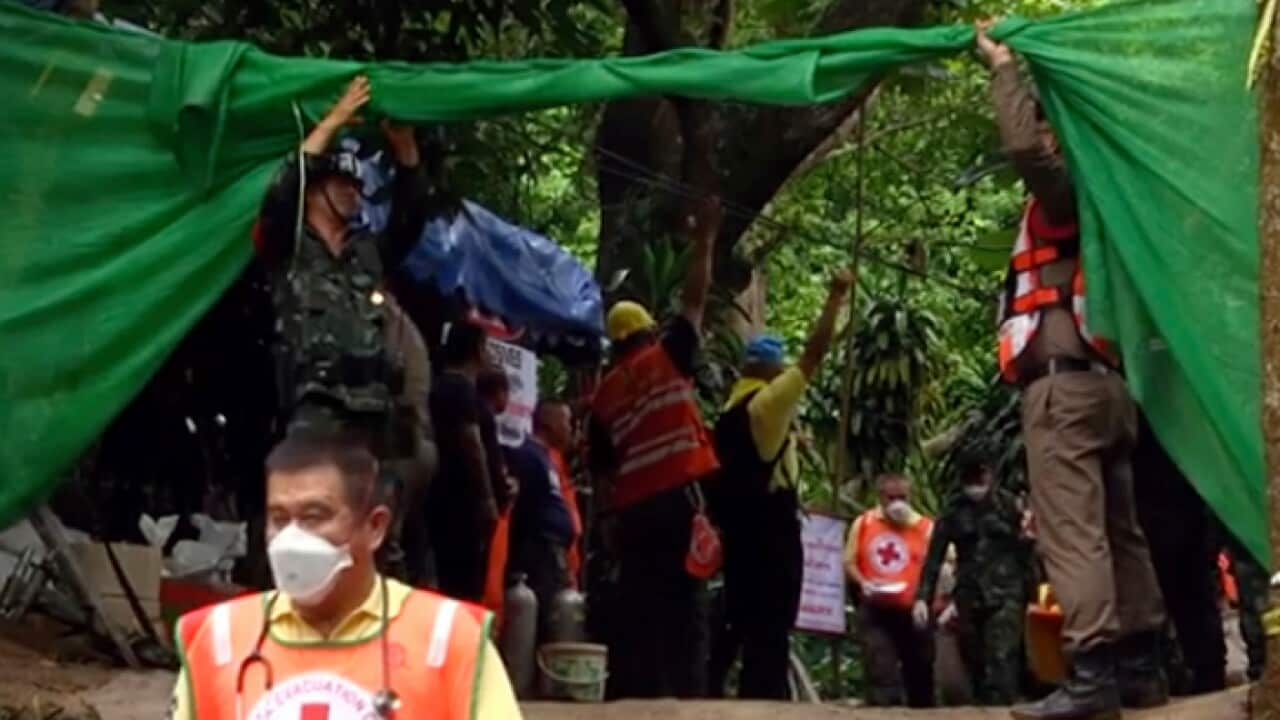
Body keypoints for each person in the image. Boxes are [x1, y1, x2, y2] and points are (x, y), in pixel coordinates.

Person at [976, 23, 1169, 720]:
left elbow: (1025, 147)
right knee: (1120, 528)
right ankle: (1142, 670)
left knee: (1074, 529)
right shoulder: (1124, 201)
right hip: (1111, 386)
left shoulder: (1072, 193)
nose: (1049, 140)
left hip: (1065, 388)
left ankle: (1092, 680)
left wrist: (1004, 70)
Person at [169, 431, 520, 720]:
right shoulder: (218, 639)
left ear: (374, 527)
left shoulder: (448, 637)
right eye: (278, 518)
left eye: (314, 516)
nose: (291, 538)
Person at [588, 195, 722, 699]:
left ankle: (639, 697)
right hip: (679, 502)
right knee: (686, 601)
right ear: (647, 330)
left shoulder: (602, 397)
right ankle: (688, 699)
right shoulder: (669, 356)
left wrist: (607, 529)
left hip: (633, 513)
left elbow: (602, 476)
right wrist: (706, 238)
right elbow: (695, 299)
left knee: (640, 605)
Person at [255, 75, 427, 445]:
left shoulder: (365, 253)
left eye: (357, 186)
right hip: (310, 411)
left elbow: (410, 221)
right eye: (342, 185)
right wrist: (334, 119)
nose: (354, 193)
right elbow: (283, 188)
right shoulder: (289, 244)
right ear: (315, 192)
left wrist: (407, 152)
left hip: (371, 413)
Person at [708, 268, 853, 699]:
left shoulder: (732, 409)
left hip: (738, 535)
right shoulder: (769, 403)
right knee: (770, 630)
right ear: (772, 370)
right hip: (771, 535)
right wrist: (835, 297)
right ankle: (766, 703)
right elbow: (815, 354)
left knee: (741, 619)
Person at [913, 454, 1033, 706]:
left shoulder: (1010, 505)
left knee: (1002, 657)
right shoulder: (953, 512)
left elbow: (1027, 550)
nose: (976, 484)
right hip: (969, 595)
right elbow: (933, 559)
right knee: (975, 660)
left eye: (980, 477)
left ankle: (1003, 706)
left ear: (990, 476)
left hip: (1006, 592)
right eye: (970, 479)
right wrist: (922, 598)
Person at [1131, 416, 1225, 695]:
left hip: (1162, 501)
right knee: (1192, 591)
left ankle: (1198, 672)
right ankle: (1204, 671)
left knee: (1181, 589)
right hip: (1181, 494)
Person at [845, 473, 936, 707]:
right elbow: (849, 562)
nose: (898, 502)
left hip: (913, 609)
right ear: (880, 497)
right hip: (876, 607)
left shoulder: (926, 527)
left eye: (903, 497)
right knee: (879, 663)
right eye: (891, 497)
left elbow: (946, 564)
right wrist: (863, 582)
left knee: (920, 668)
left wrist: (927, 599)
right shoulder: (864, 523)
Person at [428, 322, 501, 602]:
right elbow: (471, 444)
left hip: (451, 504)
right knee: (464, 585)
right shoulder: (458, 390)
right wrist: (487, 499)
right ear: (478, 350)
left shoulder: (444, 388)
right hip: (462, 505)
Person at [505, 401, 579, 635]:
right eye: (566, 422)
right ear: (551, 423)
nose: (570, 429)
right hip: (538, 553)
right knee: (541, 620)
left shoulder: (548, 460)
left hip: (552, 554)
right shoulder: (527, 456)